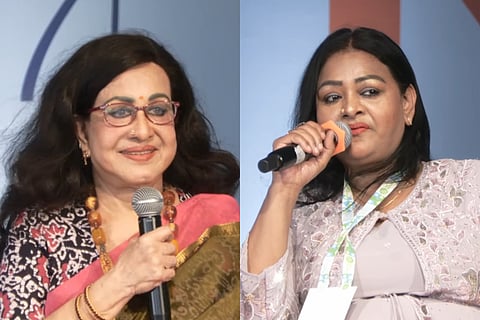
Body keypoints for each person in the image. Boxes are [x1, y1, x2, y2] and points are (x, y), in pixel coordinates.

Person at [240, 27, 480, 319]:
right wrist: (284, 187)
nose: (350, 108)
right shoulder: (298, 215)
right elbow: (258, 313)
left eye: (370, 92)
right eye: (331, 98)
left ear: (407, 104)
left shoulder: (468, 185)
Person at [0, 32, 240, 319]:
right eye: (119, 111)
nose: (142, 130)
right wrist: (120, 282)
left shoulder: (216, 222)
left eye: (158, 109)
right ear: (82, 132)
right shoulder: (42, 232)